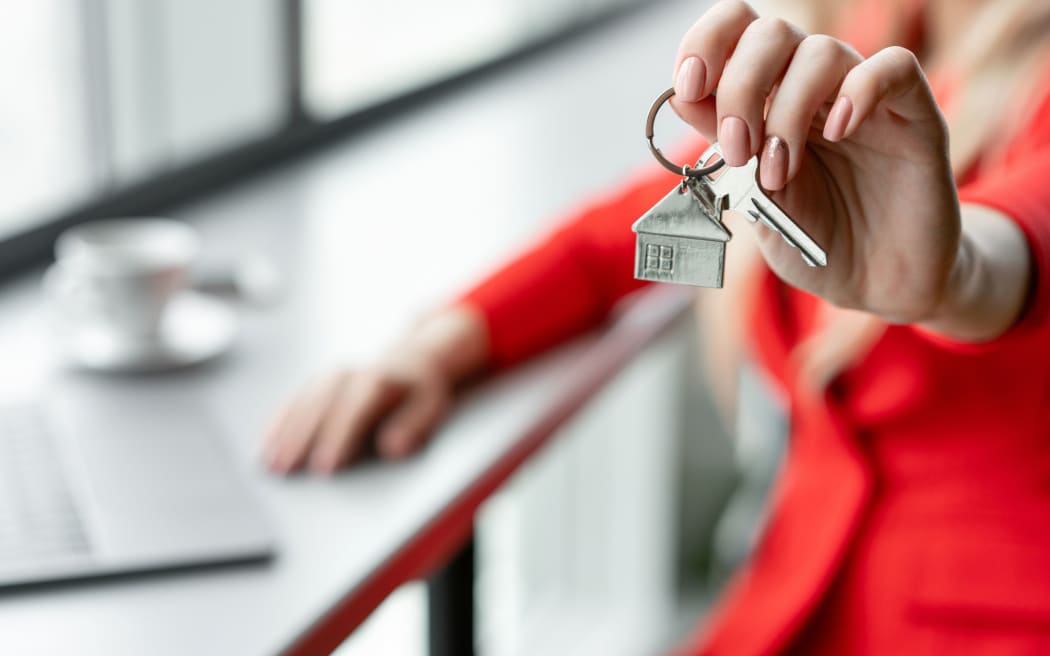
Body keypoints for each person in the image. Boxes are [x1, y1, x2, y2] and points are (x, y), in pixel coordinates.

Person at [264, 0, 1050, 652]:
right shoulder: (862, 29)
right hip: (794, 604)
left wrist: (949, 279)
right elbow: (634, 234)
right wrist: (436, 348)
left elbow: (1013, 241)